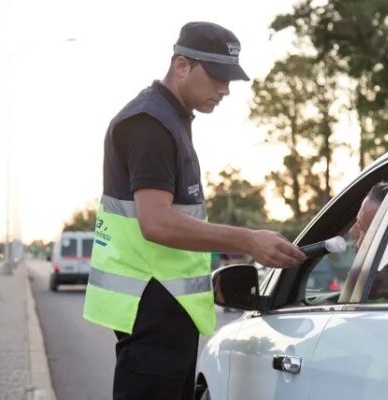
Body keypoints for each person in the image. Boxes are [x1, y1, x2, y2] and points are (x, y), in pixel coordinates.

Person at [82, 21, 306, 400]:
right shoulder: (150, 123)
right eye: (217, 75)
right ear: (182, 65)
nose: (224, 89)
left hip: (165, 308)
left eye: (230, 79)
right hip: (152, 306)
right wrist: (248, 239)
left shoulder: (171, 118)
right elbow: (156, 223)